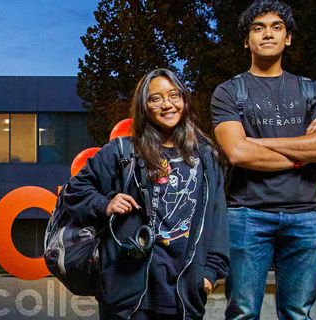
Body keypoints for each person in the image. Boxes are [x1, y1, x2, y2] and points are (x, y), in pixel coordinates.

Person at [209, 1, 316, 319]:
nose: (267, 34)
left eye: (276, 27)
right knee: (241, 311)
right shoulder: (229, 92)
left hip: (306, 216)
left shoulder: (313, 91)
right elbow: (237, 153)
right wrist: (304, 154)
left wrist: (259, 143)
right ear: (247, 40)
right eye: (258, 28)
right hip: (247, 215)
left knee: (297, 312)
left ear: (288, 38)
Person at [62, 68, 229, 319]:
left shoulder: (205, 156)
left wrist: (210, 272)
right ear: (144, 107)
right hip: (127, 291)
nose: (167, 104)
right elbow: (73, 192)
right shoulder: (122, 152)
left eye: (174, 95)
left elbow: (217, 216)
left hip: (185, 291)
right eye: (156, 98)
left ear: (184, 100)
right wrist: (105, 203)